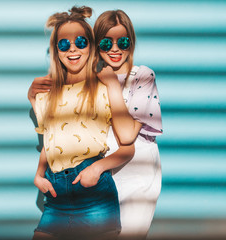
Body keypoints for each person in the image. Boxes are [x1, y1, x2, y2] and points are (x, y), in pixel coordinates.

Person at [29, 9, 163, 240]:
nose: (115, 48)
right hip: (75, 185)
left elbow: (128, 139)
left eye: (123, 42)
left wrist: (112, 85)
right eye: (106, 42)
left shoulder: (134, 78)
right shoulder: (78, 86)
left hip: (122, 173)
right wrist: (39, 174)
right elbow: (54, 140)